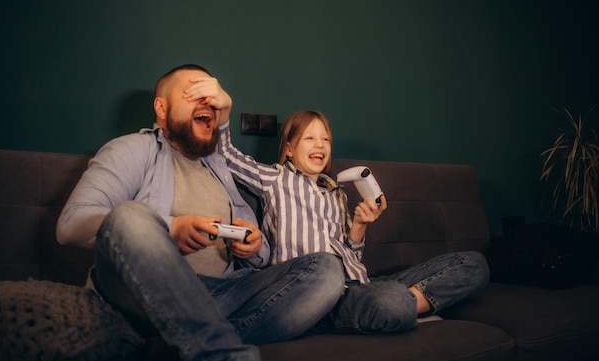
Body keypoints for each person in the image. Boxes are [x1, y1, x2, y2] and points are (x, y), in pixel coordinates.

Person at [56, 64, 345, 361]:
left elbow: (261, 256)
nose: (207, 102)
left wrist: (253, 246)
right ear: (161, 107)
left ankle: (180, 343)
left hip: (225, 293)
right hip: (145, 295)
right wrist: (169, 229)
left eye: (211, 96)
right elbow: (70, 224)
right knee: (130, 216)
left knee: (325, 269)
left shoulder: (217, 165)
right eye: (194, 94)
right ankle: (221, 353)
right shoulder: (132, 149)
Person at [184, 76, 490, 335]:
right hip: (323, 297)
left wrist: (359, 226)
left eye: (326, 140)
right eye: (309, 138)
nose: (319, 145)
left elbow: (352, 255)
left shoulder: (336, 192)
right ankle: (403, 309)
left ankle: (404, 308)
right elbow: (224, 154)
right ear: (289, 149)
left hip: (363, 284)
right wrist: (222, 111)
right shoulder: (273, 178)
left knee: (473, 264)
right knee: (389, 301)